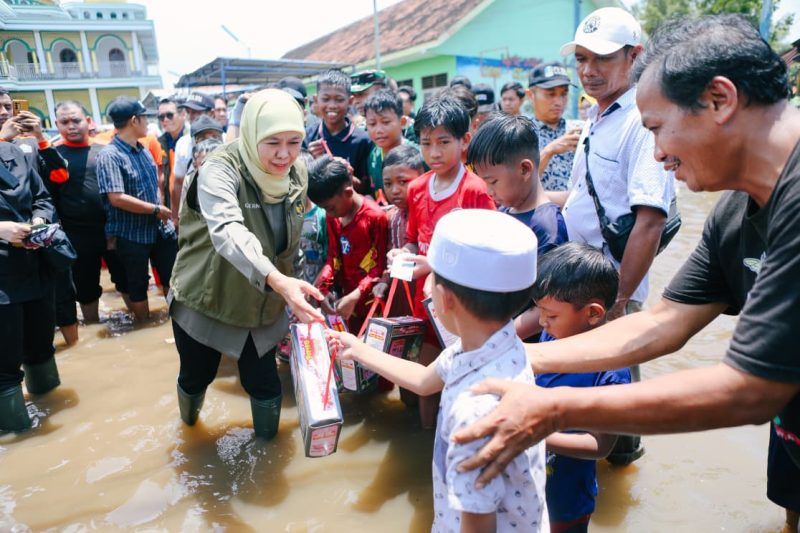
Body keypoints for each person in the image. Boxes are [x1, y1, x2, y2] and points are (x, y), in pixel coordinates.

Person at [451, 15, 800, 533]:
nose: (657, 154)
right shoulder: (736, 211)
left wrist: (549, 410)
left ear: (720, 101)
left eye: (658, 129)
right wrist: (508, 359)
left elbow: (750, 387)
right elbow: (663, 322)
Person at [330, 209, 548, 532]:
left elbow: (478, 526)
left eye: (431, 280)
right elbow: (422, 380)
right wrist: (360, 349)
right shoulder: (492, 346)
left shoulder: (473, 416)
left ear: (443, 299)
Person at [169, 89, 324, 439]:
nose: (284, 154)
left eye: (294, 141)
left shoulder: (297, 172)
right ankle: (189, 432)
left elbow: (291, 241)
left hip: (263, 303)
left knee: (265, 384)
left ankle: (266, 449)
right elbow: (228, 231)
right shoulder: (218, 171)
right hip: (207, 298)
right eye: (272, 142)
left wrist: (294, 289)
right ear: (251, 132)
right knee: (197, 376)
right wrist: (279, 281)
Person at [389, 95, 495, 427]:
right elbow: (412, 237)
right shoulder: (418, 188)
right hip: (426, 303)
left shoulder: (475, 190)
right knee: (427, 378)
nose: (434, 152)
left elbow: (486, 251)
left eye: (443, 142)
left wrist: (431, 264)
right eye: (426, 143)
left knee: (468, 381)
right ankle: (428, 447)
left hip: (465, 303)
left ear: (465, 141)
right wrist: (404, 253)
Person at [532, 242, 630, 533]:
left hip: (566, 500)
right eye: (540, 312)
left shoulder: (611, 369)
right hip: (529, 485)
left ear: (593, 314)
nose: (541, 323)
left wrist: (535, 433)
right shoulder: (554, 336)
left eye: (551, 316)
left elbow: (600, 445)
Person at [466, 113, 568, 341]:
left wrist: (496, 339)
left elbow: (544, 307)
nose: (488, 191)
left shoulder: (547, 227)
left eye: (493, 182)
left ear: (524, 169)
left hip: (520, 345)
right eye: (484, 182)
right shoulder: (505, 212)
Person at [0, 119, 60, 432]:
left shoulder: (17, 152)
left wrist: (38, 219)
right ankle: (17, 434)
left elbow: (43, 197)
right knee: (4, 365)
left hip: (34, 265)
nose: (3, 114)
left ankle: (52, 415)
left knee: (41, 347)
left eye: (6, 107)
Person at [96, 97, 176, 322]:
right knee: (138, 285)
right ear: (134, 120)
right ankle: (143, 324)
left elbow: (155, 185)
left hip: (159, 228)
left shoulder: (143, 149)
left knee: (172, 279)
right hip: (131, 234)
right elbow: (117, 197)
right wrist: (154, 209)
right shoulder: (110, 155)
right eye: (145, 118)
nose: (149, 123)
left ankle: (175, 322)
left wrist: (159, 212)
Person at [52, 100, 131, 328]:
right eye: (64, 122)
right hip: (77, 236)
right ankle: (93, 327)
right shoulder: (54, 155)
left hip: (113, 230)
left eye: (76, 120)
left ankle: (139, 322)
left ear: (88, 121)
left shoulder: (106, 151)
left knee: (126, 281)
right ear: (57, 125)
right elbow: (50, 198)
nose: (71, 126)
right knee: (85, 289)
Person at [308, 155, 388, 333]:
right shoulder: (333, 216)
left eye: (330, 207)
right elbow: (333, 257)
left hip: (372, 303)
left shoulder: (375, 217)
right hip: (345, 301)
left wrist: (356, 295)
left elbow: (378, 267)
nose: (328, 212)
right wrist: (323, 288)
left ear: (348, 192)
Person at [372, 144, 426, 316]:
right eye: (388, 184)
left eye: (403, 182)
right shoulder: (392, 218)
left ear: (422, 177)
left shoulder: (429, 214)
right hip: (402, 295)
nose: (394, 190)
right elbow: (390, 254)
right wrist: (385, 281)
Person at [305, 69, 374, 195]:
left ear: (350, 101)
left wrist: (346, 175)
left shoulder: (364, 141)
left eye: (339, 99)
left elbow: (366, 189)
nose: (332, 105)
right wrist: (309, 160)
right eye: (325, 99)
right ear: (316, 99)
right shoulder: (307, 137)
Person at [526, 62, 581, 192]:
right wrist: (549, 151)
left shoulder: (578, 130)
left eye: (564, 94)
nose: (559, 102)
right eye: (550, 94)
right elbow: (520, 187)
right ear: (530, 95)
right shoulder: (519, 135)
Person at [170, 115, 224, 220]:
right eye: (203, 138)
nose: (209, 143)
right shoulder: (190, 178)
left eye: (215, 137)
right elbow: (184, 216)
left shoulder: (234, 172)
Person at [364, 89, 414, 195]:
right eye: (372, 124)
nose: (378, 130)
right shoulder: (373, 157)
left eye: (385, 122)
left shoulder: (417, 154)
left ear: (402, 122)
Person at [157, 97, 188, 212]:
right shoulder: (158, 143)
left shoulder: (192, 140)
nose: (165, 119)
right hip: (169, 207)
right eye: (161, 117)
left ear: (183, 114)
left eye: (169, 115)